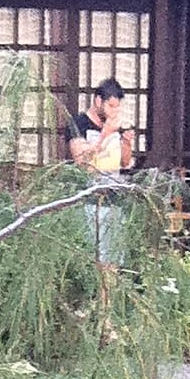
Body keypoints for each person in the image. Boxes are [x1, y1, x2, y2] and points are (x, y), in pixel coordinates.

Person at [68, 76, 134, 275]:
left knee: (112, 258)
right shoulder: (78, 124)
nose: (114, 112)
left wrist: (127, 142)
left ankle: (109, 302)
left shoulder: (115, 125)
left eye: (118, 107)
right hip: (89, 197)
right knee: (94, 256)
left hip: (114, 196)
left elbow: (124, 162)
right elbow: (81, 160)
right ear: (98, 101)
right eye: (111, 106)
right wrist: (105, 133)